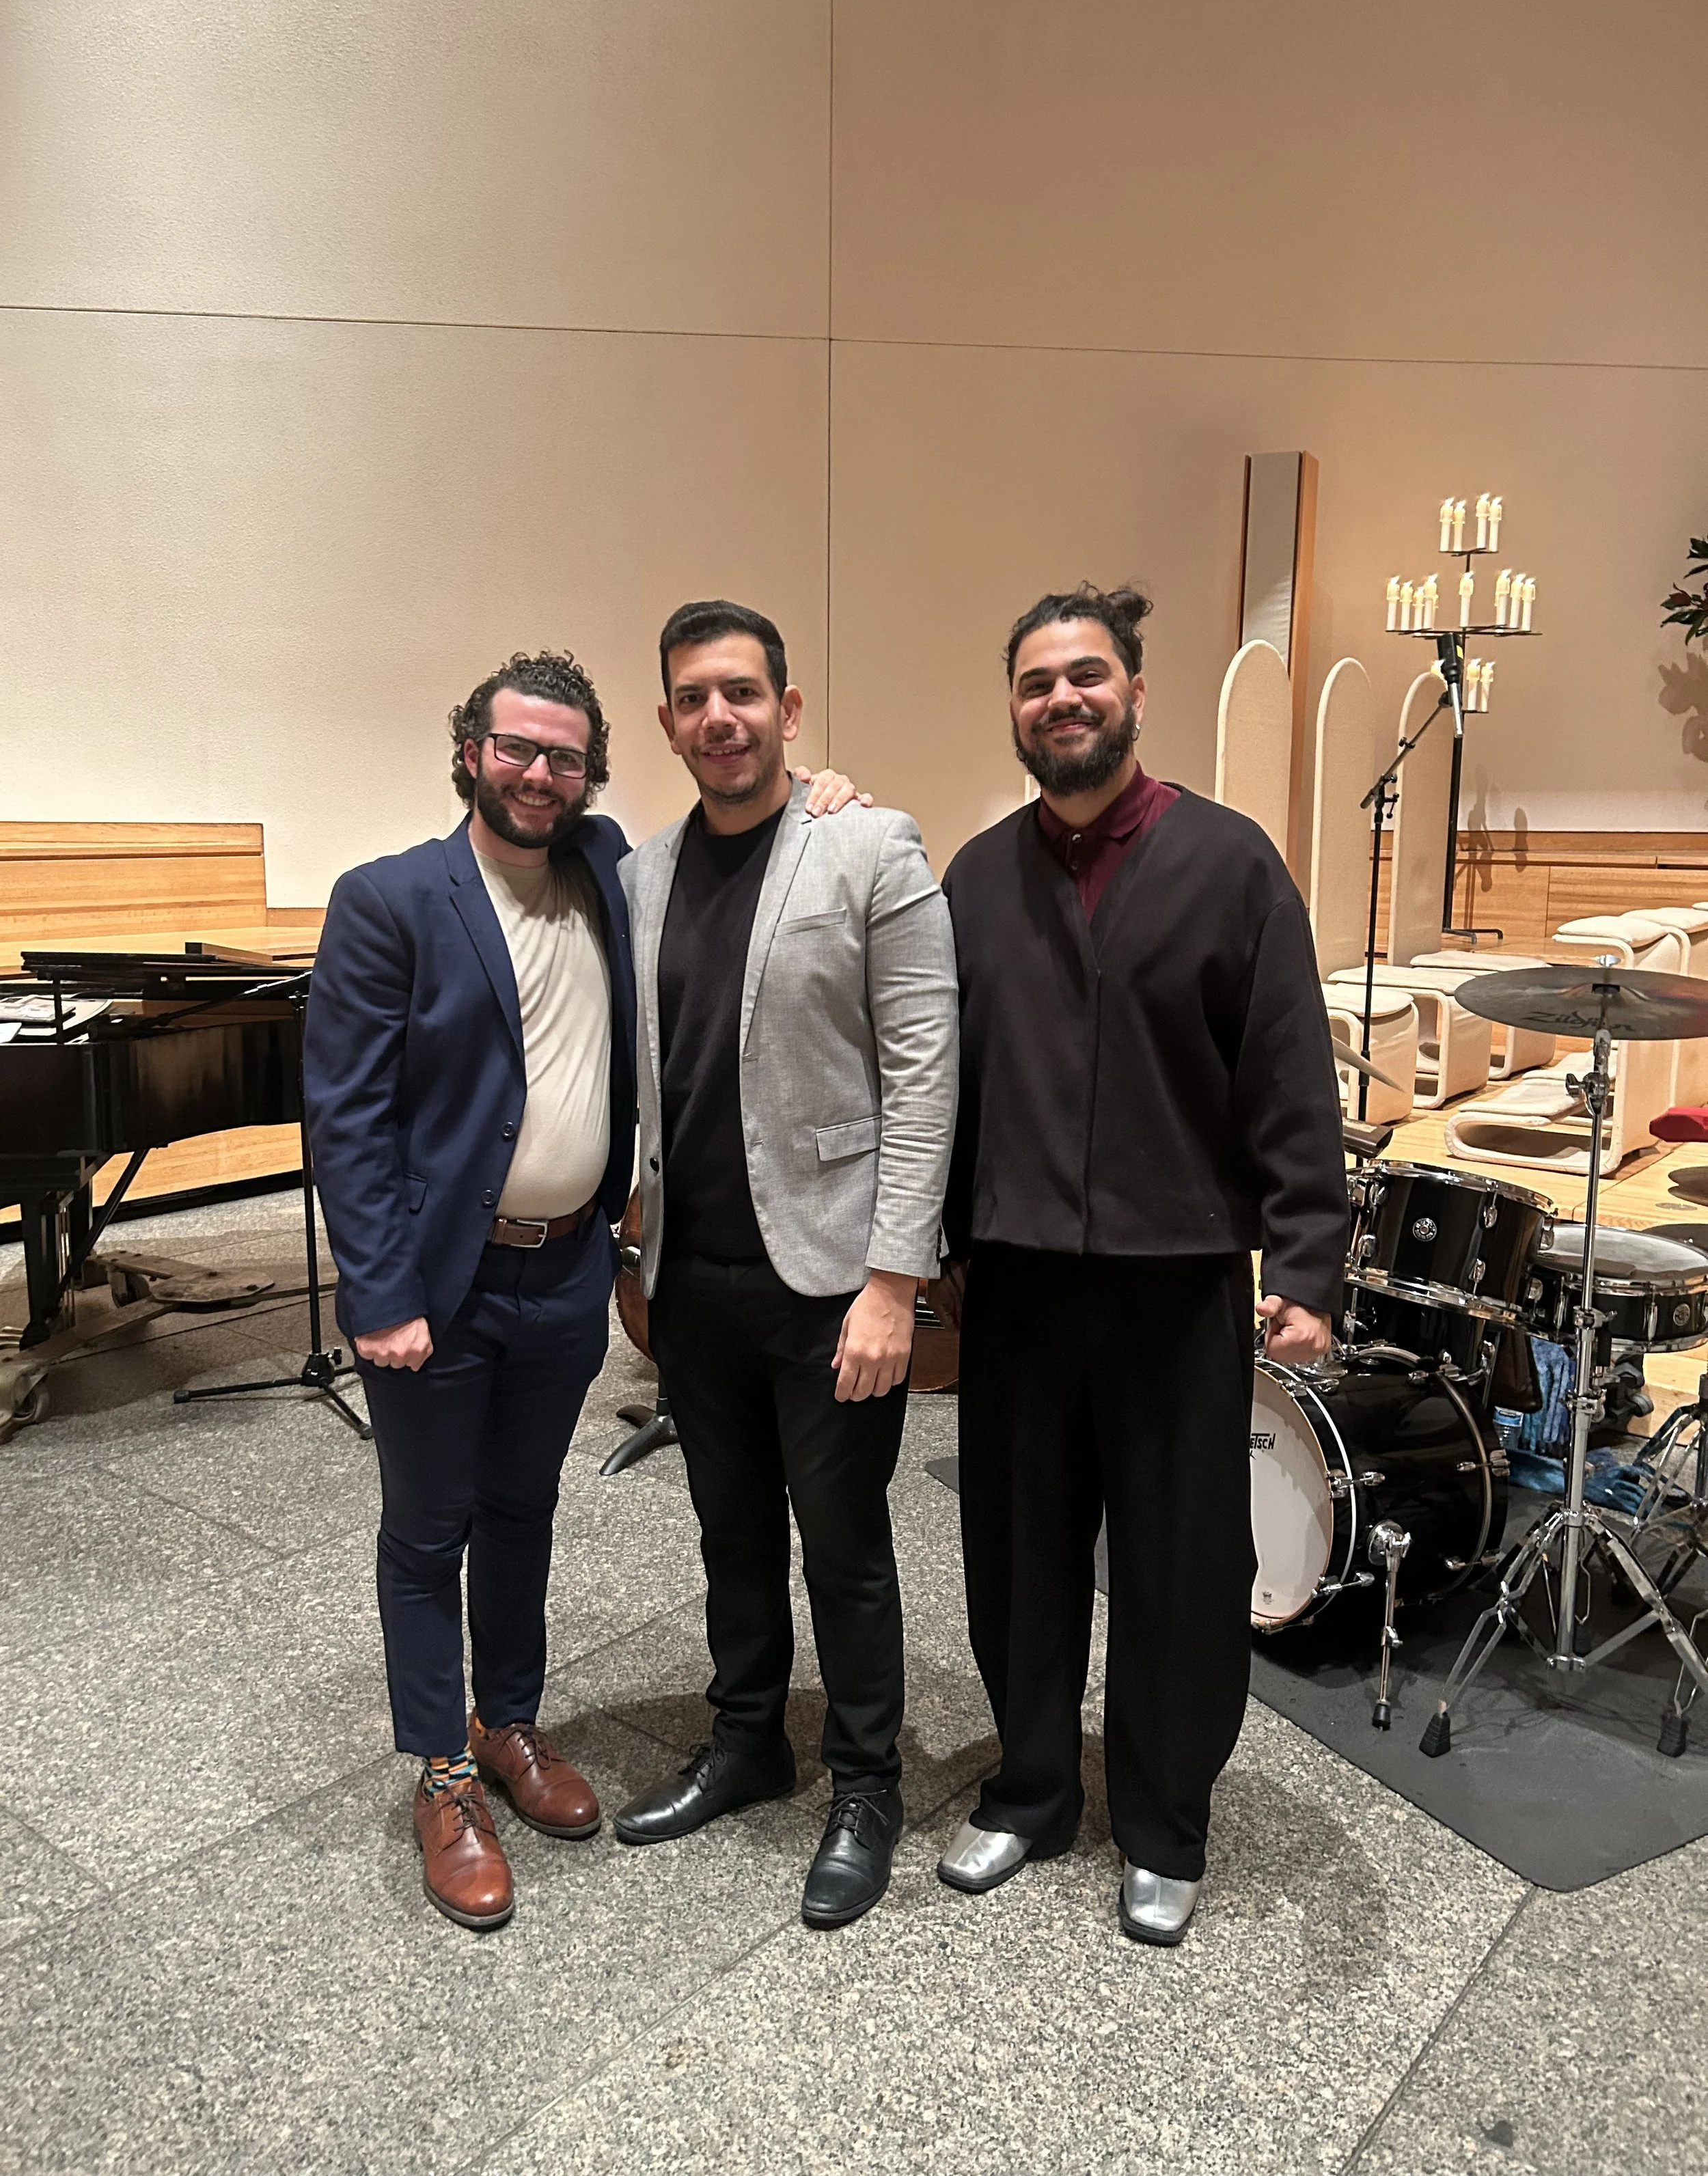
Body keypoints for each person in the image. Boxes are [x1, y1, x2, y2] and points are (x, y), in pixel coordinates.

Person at [305, 649, 859, 1932]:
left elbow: (748, 824)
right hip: (435, 1286)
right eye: (517, 749)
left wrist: (822, 788)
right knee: (427, 1526)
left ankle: (508, 1724)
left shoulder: (613, 874)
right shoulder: (390, 899)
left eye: (564, 755)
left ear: (591, 770)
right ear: (470, 755)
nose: (540, 774)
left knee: (521, 1512)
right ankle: (441, 1775)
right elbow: (345, 1119)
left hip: (564, 1274)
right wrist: (381, 1291)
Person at [929, 583, 1347, 1946]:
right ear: (1011, 708)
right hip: (1018, 1286)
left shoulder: (1228, 864)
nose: (1061, 697)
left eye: (1084, 675)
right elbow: (941, 1080)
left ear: (1134, 694)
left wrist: (1306, 1255)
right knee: (1017, 1554)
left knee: (1178, 1568)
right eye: (1035, 680)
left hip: (1176, 1284)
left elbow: (1288, 1071)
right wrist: (925, 1247)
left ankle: (1165, 1822)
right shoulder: (975, 877)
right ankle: (1033, 1788)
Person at [612, 599, 959, 1929]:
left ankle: (863, 1784)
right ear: (668, 722)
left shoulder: (866, 842)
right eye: (694, 697)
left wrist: (893, 1280)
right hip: (688, 1272)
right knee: (729, 1531)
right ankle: (747, 1739)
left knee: (845, 1546)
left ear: (788, 709)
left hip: (828, 1280)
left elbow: (926, 1073)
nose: (720, 716)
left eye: (743, 693)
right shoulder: (640, 877)